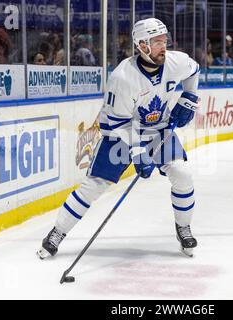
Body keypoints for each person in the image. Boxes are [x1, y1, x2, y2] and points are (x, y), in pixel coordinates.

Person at [37, 18, 200, 259]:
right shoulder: (123, 77)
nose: (163, 46)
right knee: (93, 186)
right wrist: (138, 152)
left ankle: (183, 227)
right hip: (120, 133)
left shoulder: (176, 61)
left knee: (183, 174)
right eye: (156, 42)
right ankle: (57, 232)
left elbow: (194, 69)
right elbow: (118, 123)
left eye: (164, 41)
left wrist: (189, 97)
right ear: (142, 45)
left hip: (160, 131)